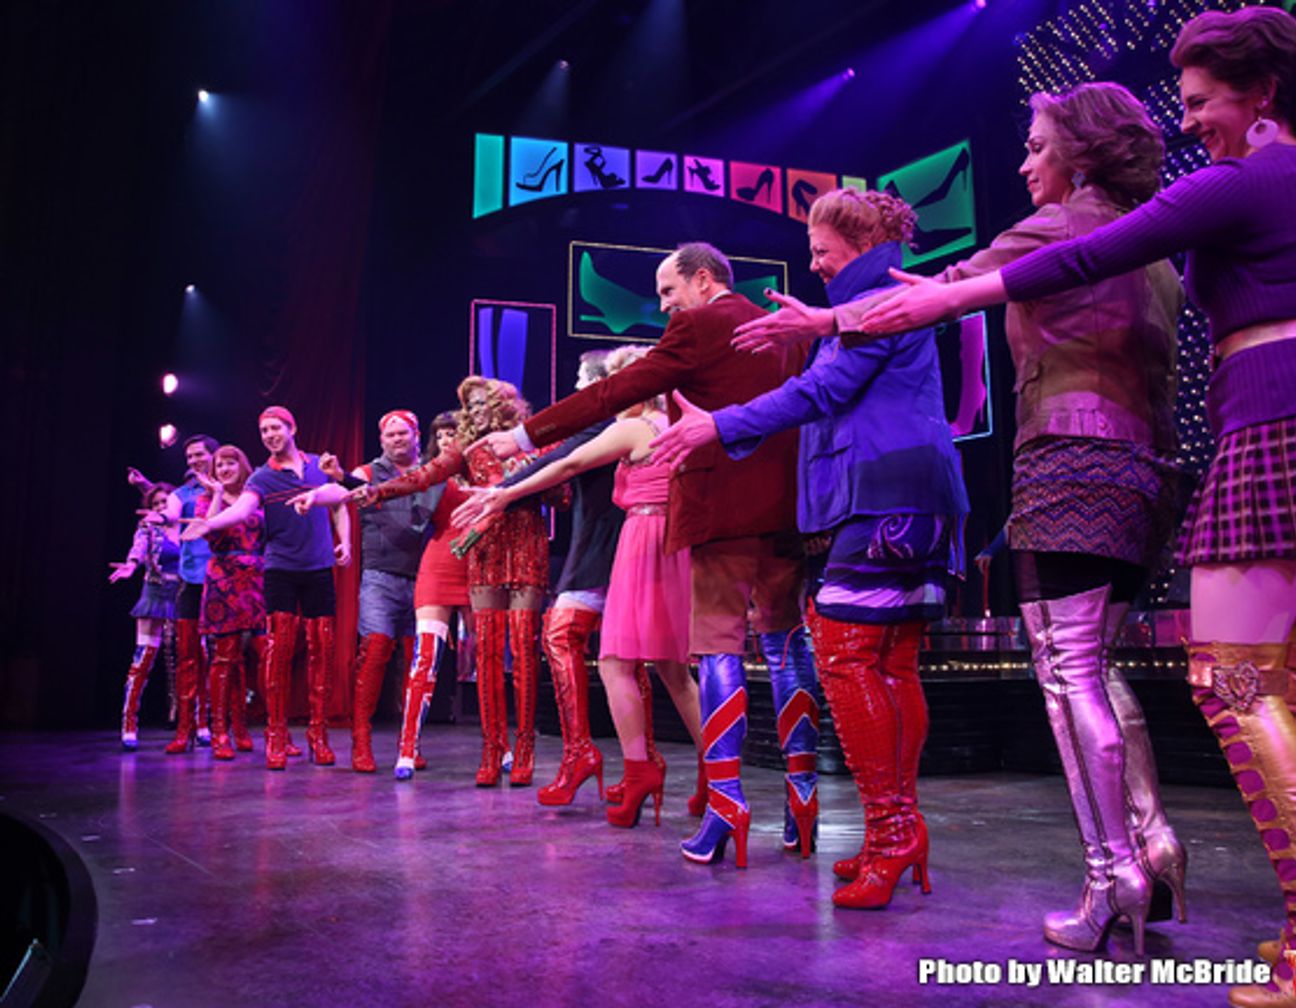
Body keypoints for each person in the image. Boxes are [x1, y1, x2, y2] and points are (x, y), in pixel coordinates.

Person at [831, 9, 1296, 1002]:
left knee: (1228, 678)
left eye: (1200, 103)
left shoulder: (1241, 179)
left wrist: (937, 299)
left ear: (1258, 91)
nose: (1192, 126)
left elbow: (1085, 253)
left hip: (1267, 423)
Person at [735, 87, 1189, 941]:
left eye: (1037, 146)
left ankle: (1111, 877)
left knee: (1062, 676)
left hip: (1070, 459)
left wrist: (823, 322)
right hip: (1145, 469)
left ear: (1081, 154)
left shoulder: (1061, 226)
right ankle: (1152, 842)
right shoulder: (1152, 247)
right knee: (1094, 670)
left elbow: (942, 292)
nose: (1022, 163)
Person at [652, 191, 968, 906]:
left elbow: (823, 391)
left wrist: (717, 426)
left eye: (822, 250)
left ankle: (891, 834)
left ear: (855, 245)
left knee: (845, 652)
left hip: (887, 489)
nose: (815, 263)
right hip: (916, 489)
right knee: (893, 662)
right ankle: (898, 831)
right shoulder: (871, 298)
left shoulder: (874, 302)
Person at [473, 242, 815, 869]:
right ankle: (802, 806)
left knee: (714, 651)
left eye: (667, 291)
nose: (662, 306)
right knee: (787, 647)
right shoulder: (787, 328)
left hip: (720, 513)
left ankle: (727, 807)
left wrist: (523, 433)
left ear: (703, 280)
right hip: (789, 512)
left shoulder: (700, 324)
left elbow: (613, 394)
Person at [458, 345, 702, 827]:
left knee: (613, 658)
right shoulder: (683, 421)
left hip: (633, 544)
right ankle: (712, 774)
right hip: (669, 545)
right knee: (669, 668)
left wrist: (504, 491)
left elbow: (567, 462)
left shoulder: (628, 424)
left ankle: (630, 766)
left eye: (607, 385)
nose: (588, 394)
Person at [357, 380, 549, 786]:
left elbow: (558, 485)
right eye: (469, 407)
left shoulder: (523, 443)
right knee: (431, 656)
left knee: (502, 658)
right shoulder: (459, 458)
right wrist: (375, 493)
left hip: (503, 555)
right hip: (455, 560)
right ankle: (418, 748)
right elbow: (422, 478)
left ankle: (512, 748)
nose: (472, 414)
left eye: (481, 404)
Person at [487, 349, 628, 806]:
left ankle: (582, 754)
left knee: (561, 637)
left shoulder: (605, 421)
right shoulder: (629, 422)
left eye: (581, 382)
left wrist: (498, 491)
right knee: (635, 658)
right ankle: (650, 767)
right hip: (622, 544)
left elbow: (560, 463)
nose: (575, 393)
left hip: (603, 547)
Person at [184, 407, 351, 769]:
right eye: (263, 431)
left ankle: (318, 735)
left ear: (292, 428)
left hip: (319, 567)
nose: (270, 435)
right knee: (279, 651)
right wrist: (208, 524)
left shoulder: (318, 465)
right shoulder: (261, 477)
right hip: (281, 571)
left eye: (275, 428)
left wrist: (346, 541)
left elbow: (339, 501)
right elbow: (242, 511)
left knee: (322, 650)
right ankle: (275, 735)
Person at [299, 411, 443, 773]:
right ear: (382, 441)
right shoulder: (368, 472)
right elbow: (341, 489)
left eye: (402, 433)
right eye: (389, 435)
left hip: (425, 577)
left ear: (415, 435)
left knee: (417, 663)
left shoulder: (432, 472)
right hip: (381, 578)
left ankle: (410, 743)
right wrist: (315, 495)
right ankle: (361, 742)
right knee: (376, 653)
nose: (396, 439)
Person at [196, 445, 265, 760]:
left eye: (230, 462)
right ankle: (220, 731)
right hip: (224, 580)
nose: (224, 468)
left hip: (257, 579)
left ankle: (245, 727)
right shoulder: (206, 500)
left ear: (242, 465)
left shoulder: (257, 495)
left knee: (261, 656)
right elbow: (210, 533)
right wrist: (217, 495)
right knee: (224, 658)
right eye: (218, 465)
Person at [160, 434, 219, 753]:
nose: (194, 461)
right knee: (187, 655)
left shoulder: (230, 490)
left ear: (214, 455)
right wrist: (161, 518)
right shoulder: (182, 494)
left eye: (199, 455)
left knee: (219, 657)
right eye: (189, 457)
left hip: (223, 582)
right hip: (191, 581)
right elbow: (169, 513)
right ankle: (185, 727)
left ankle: (212, 724)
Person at [109, 482, 179, 750]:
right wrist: (131, 564)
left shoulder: (186, 525)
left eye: (165, 502)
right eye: (156, 504)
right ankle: (129, 723)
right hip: (155, 594)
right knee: (143, 659)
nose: (161, 507)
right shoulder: (149, 528)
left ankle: (197, 722)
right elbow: (138, 548)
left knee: (192, 657)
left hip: (183, 595)